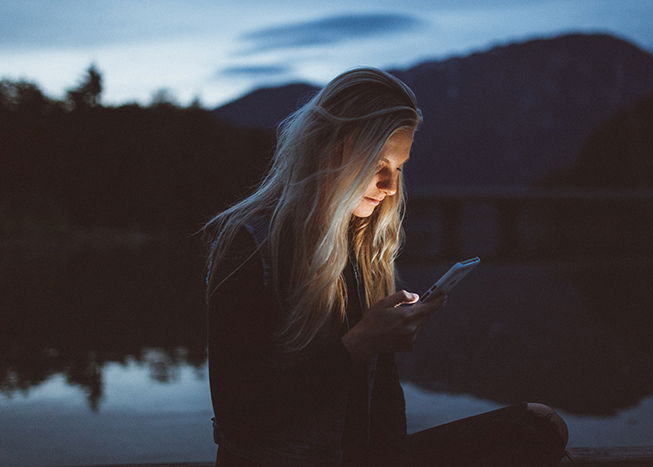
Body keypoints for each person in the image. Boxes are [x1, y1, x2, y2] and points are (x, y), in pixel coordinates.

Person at [203, 67, 568, 466]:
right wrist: (360, 343)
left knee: (539, 424)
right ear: (330, 149)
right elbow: (242, 419)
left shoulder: (360, 243)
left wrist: (382, 341)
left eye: (399, 168)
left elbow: (384, 404)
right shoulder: (251, 243)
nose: (390, 186)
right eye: (378, 163)